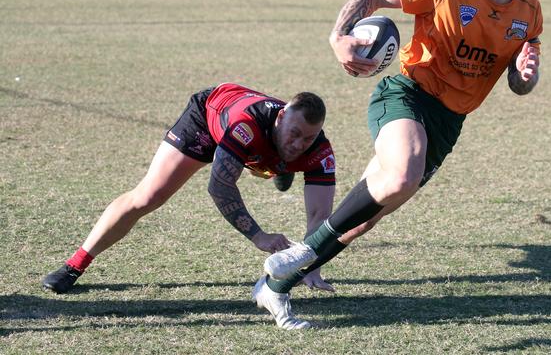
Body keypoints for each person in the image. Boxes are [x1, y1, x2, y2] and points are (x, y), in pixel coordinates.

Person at [257, 0, 543, 329]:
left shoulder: (530, 12)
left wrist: (524, 75)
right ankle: (301, 255)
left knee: (364, 219)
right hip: (407, 94)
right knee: (403, 174)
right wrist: (338, 36)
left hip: (449, 123)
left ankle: (274, 289)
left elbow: (520, 84)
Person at [42, 83, 337, 324]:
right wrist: (258, 235)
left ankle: (275, 168)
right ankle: (75, 264)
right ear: (282, 116)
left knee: (276, 157)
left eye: (307, 138)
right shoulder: (245, 125)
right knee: (148, 196)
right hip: (209, 119)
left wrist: (310, 265)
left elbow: (319, 214)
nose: (299, 144)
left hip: (257, 146)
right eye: (294, 134)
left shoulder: (319, 150)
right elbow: (220, 187)